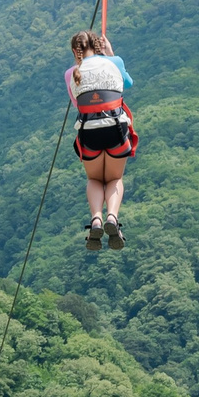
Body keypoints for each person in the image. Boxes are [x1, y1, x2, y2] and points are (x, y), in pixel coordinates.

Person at [66, 27, 138, 249]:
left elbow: (79, 102)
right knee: (114, 179)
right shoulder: (114, 62)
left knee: (95, 180)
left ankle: (96, 218)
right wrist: (111, 54)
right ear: (98, 45)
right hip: (116, 129)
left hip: (89, 133)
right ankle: (112, 217)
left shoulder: (71, 73)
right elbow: (127, 84)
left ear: (76, 51)